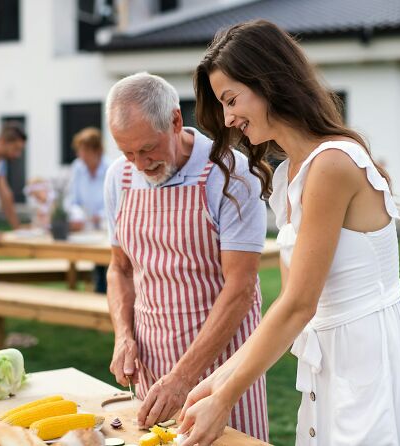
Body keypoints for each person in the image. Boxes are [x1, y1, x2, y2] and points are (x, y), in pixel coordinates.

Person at [178, 20, 400, 445]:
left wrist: (225, 396)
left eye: (231, 100)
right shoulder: (290, 175)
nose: (227, 120)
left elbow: (301, 304)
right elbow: (290, 305)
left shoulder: (333, 164)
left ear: (268, 83)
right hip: (331, 366)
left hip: (371, 361)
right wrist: (212, 382)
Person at [103, 72, 269, 441]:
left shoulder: (230, 175)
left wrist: (183, 378)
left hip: (222, 371)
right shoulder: (119, 177)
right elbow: (119, 268)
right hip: (150, 366)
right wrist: (123, 335)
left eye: (147, 149)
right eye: (127, 153)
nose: (140, 163)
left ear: (176, 121)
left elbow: (241, 288)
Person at [65, 126, 111, 293]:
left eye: (85, 151)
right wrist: (78, 215)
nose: (81, 155)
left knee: (106, 267)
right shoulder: (77, 168)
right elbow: (71, 199)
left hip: (106, 228)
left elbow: (116, 201)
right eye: (79, 151)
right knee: (97, 269)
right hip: (84, 229)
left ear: (97, 150)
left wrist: (99, 216)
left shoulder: (110, 168)